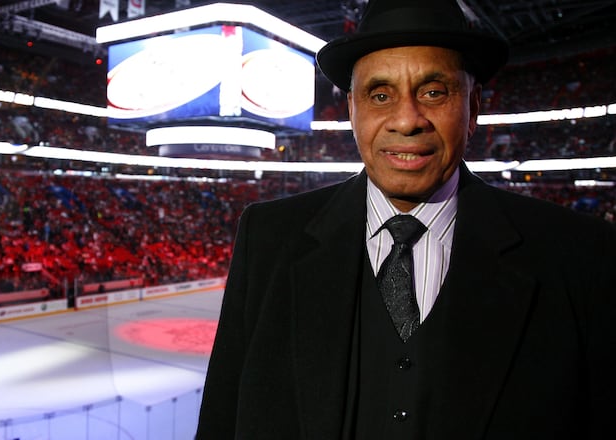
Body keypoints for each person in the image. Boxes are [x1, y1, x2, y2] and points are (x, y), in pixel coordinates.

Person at [195, 0, 616, 438]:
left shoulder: (578, 253)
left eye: (434, 92)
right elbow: (223, 418)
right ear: (352, 112)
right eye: (380, 95)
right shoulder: (268, 238)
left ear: (472, 110)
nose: (406, 120)